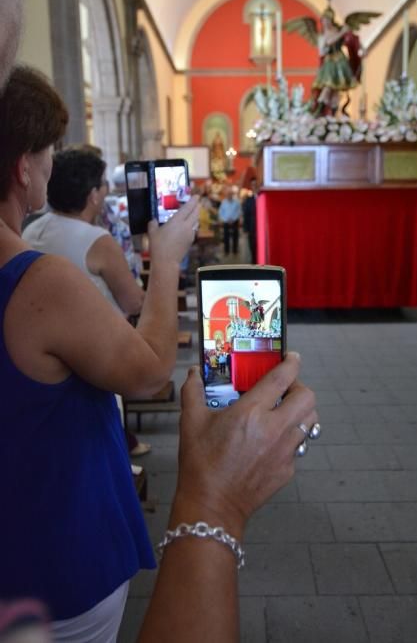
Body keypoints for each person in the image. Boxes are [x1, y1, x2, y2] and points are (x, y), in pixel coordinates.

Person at [0, 65, 319, 642]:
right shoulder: (35, 280)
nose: (52, 161)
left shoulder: (36, 249)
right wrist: (167, 256)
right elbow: (149, 374)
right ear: (24, 165)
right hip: (48, 560)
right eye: (48, 149)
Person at [23, 148, 152, 457]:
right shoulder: (96, 240)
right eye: (102, 184)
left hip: (44, 350)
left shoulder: (32, 229)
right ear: (94, 194)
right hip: (95, 353)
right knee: (99, 441)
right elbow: (133, 302)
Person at [218, 186, 241, 255]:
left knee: (235, 237)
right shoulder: (223, 202)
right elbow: (220, 212)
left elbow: (239, 212)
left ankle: (235, 251)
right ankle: (226, 251)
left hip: (235, 222)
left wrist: (233, 219)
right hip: (226, 222)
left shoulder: (236, 202)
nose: (229, 195)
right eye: (228, 194)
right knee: (226, 237)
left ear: (232, 195)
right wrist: (226, 219)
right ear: (226, 195)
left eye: (230, 194)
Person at [242, 172, 259, 264]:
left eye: (256, 184)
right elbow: (246, 214)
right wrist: (245, 228)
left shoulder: (263, 198)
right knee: (252, 247)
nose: (254, 186)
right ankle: (254, 264)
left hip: (262, 229)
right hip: (252, 227)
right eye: (253, 185)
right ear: (251, 186)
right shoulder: (248, 200)